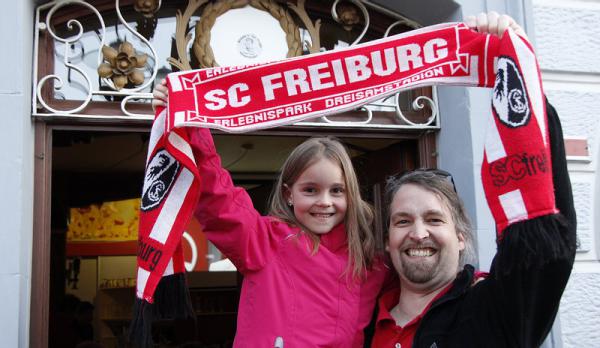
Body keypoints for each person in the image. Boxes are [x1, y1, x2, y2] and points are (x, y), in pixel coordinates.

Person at [369, 14, 577, 347]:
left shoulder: (496, 309)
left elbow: (547, 252)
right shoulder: (359, 321)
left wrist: (520, 75)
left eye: (434, 219)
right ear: (387, 239)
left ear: (462, 236)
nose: (418, 233)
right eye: (402, 221)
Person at [152, 88, 389, 346]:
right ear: (289, 194)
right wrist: (189, 124)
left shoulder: (372, 266)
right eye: (310, 190)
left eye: (337, 191)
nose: (324, 202)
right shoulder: (266, 241)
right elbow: (217, 200)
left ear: (350, 195)